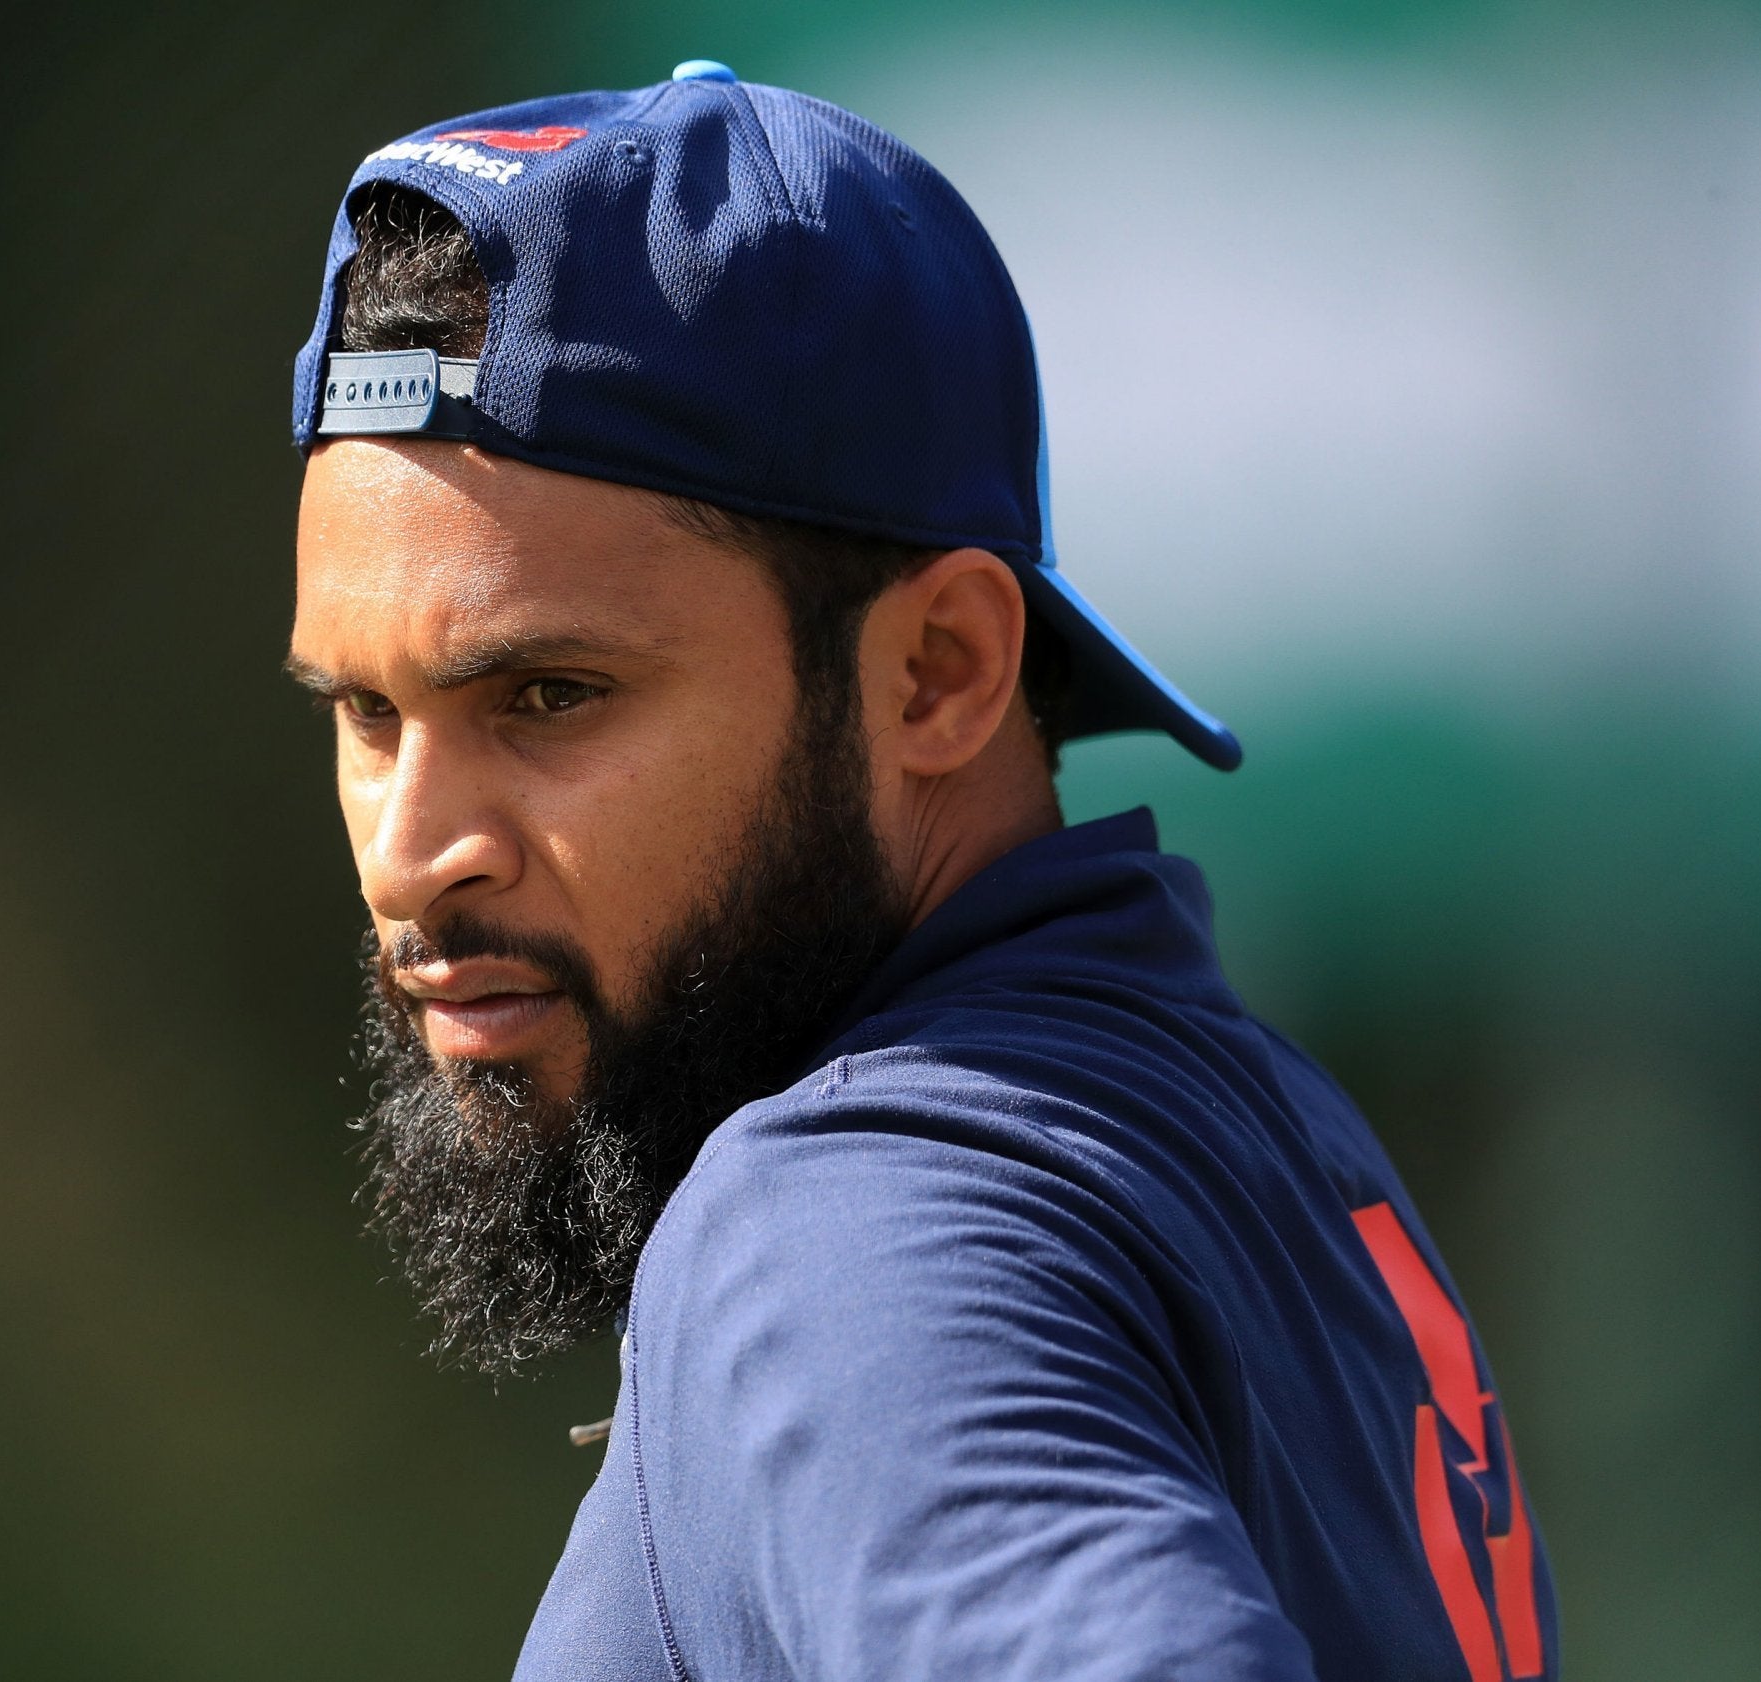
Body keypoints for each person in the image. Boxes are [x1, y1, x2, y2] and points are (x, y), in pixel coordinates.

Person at [285, 61, 1556, 1682]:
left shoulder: (844, 1223)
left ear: (936, 672)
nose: (412, 849)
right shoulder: (1254, 1131)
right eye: (368, 712)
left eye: (548, 695)